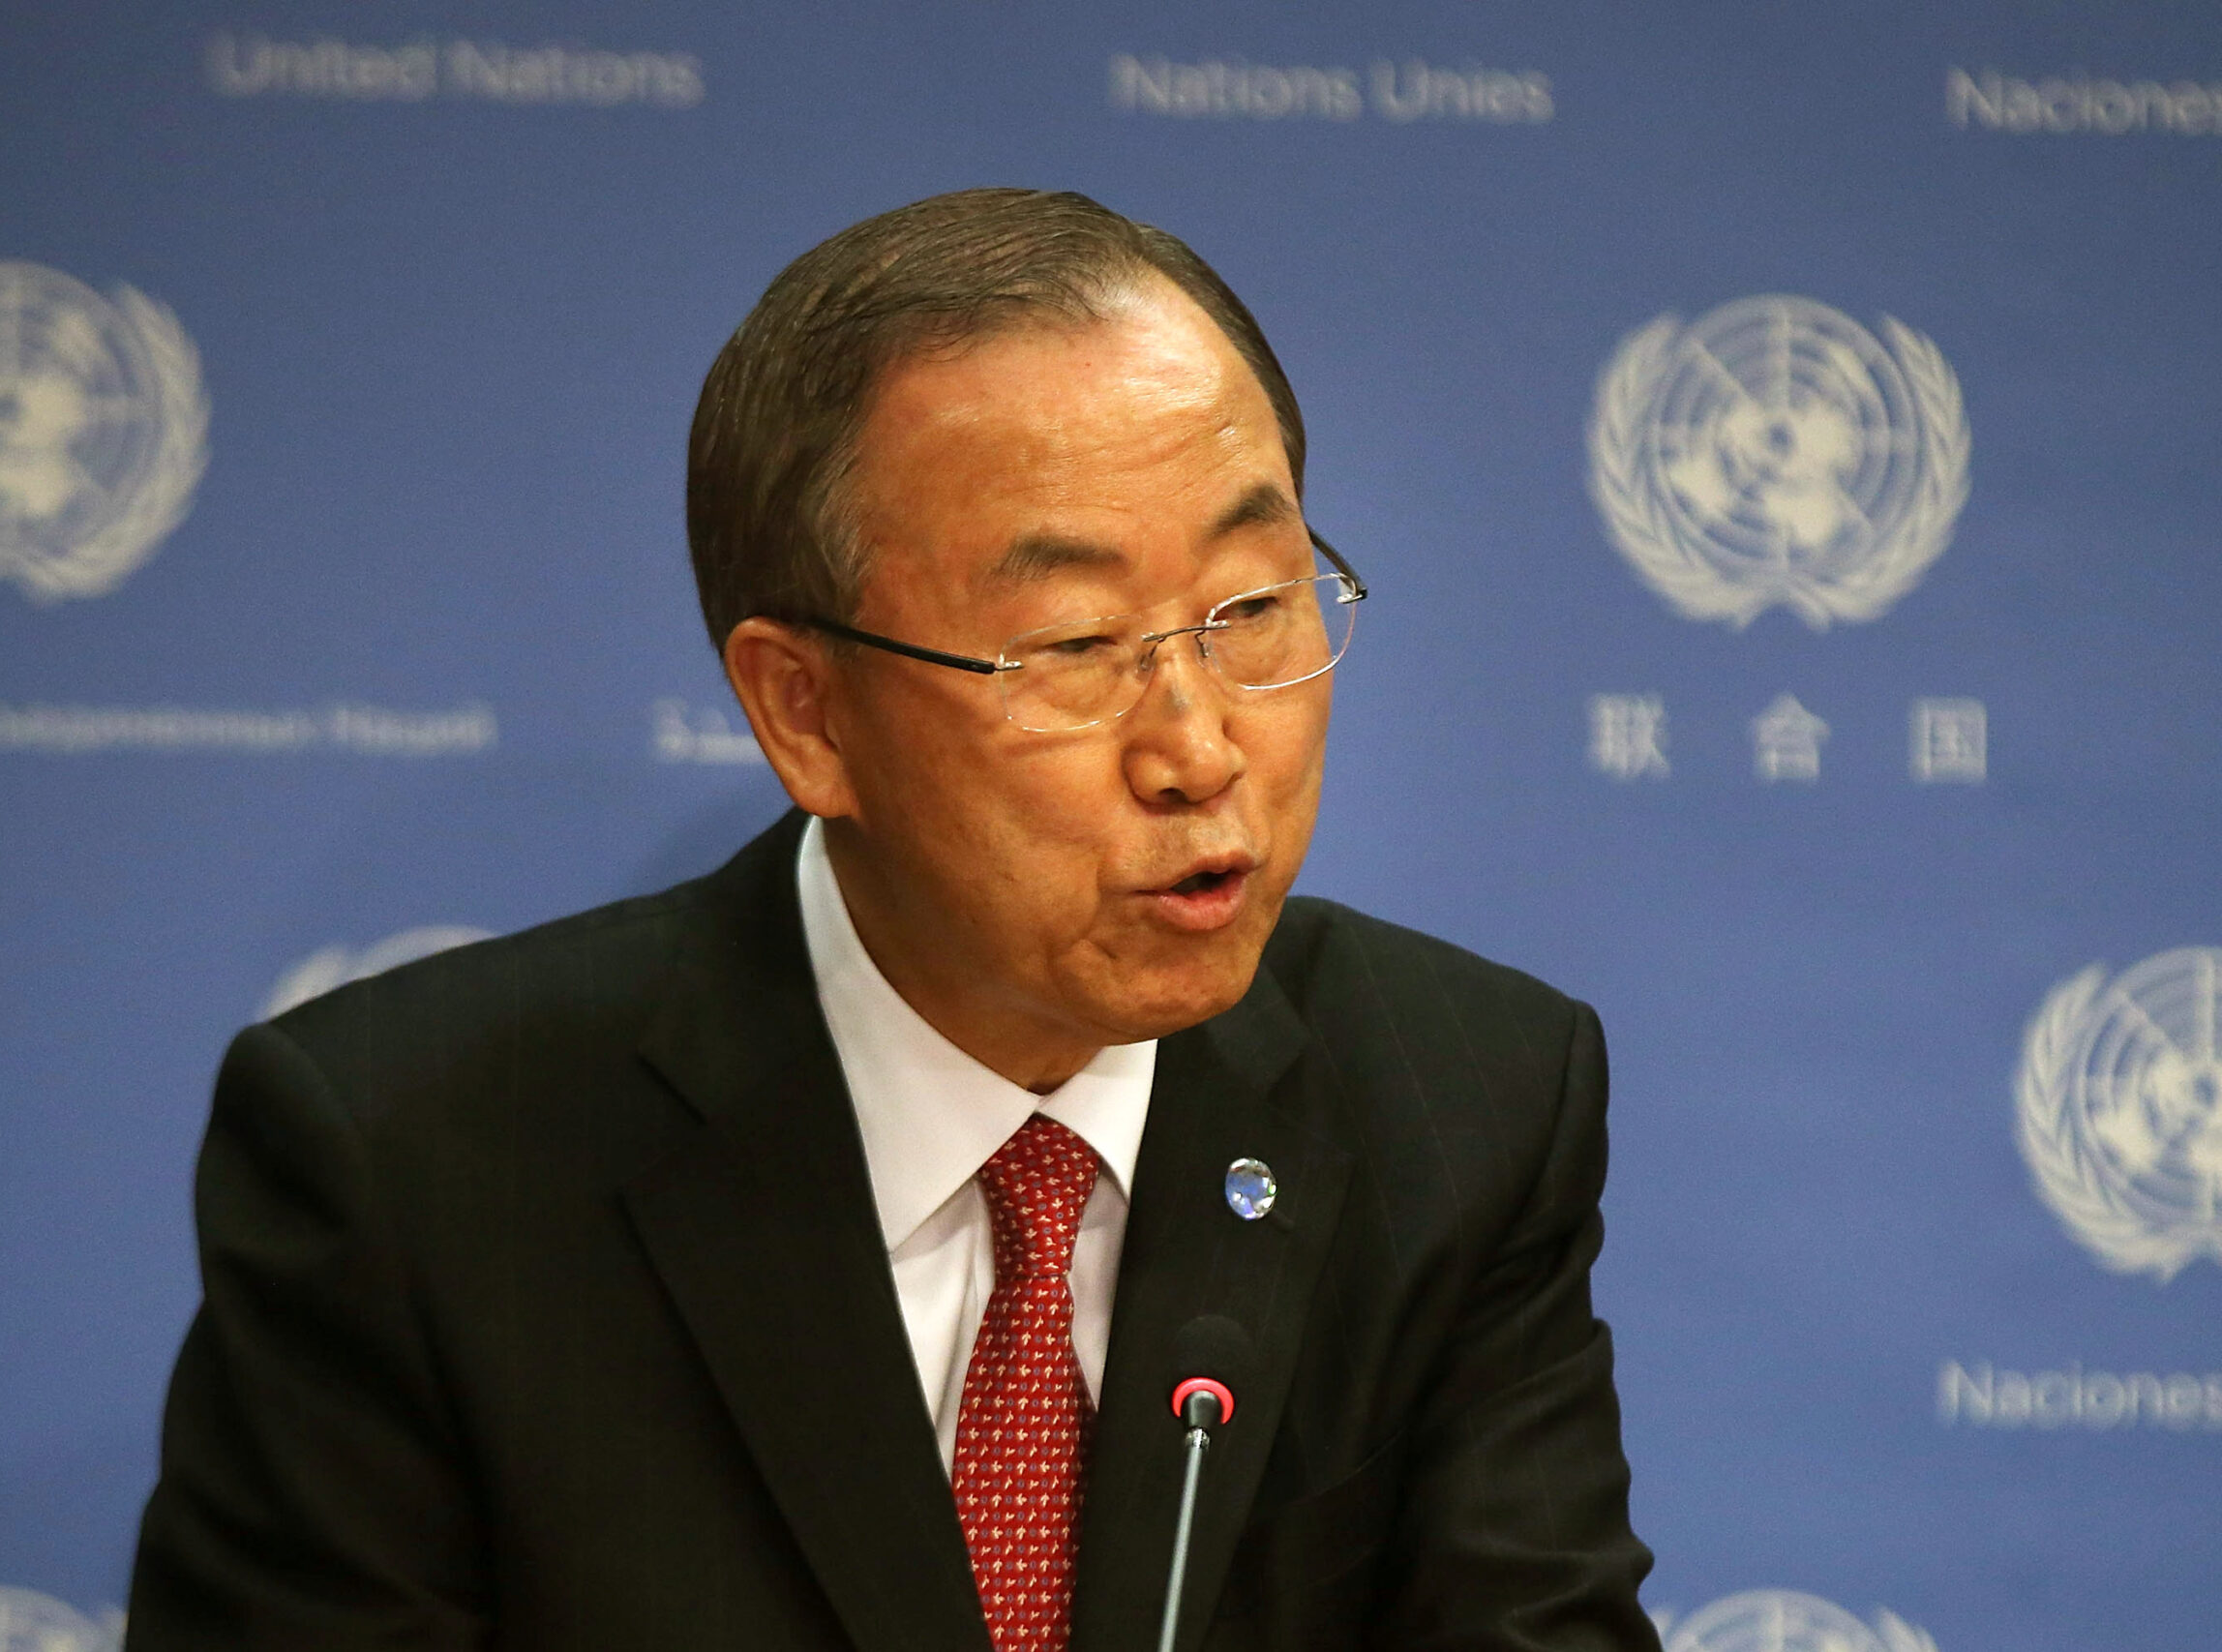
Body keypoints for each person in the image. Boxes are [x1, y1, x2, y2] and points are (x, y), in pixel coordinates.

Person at [127, 188, 1656, 1651]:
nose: (1199, 750)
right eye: (1074, 642)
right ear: (806, 713)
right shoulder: (416, 1171)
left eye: (1252, 608)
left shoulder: (1462, 1108)